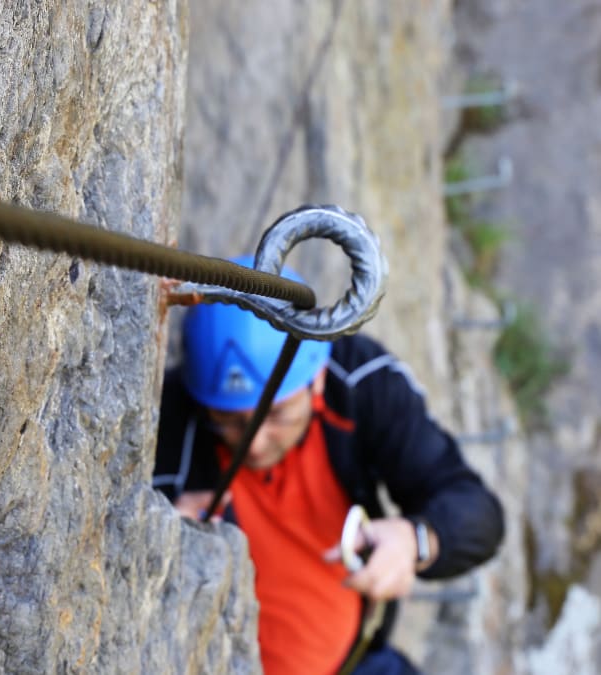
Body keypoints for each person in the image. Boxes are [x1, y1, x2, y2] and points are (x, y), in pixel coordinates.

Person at [153, 258, 504, 675]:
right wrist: (159, 538)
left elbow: (477, 513)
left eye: (278, 413)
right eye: (229, 420)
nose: (255, 442)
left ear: (315, 379)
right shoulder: (168, 424)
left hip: (360, 663)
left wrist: (416, 540)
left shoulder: (358, 385)